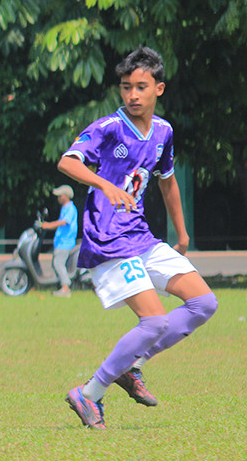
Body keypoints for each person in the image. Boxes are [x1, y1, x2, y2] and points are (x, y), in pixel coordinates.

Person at [59, 46, 218, 429]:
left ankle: (132, 367)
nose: (132, 95)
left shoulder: (163, 131)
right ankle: (89, 393)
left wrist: (181, 233)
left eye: (141, 87)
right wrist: (104, 185)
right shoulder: (108, 127)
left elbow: (167, 183)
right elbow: (67, 162)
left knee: (203, 303)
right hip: (107, 238)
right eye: (126, 87)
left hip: (141, 237)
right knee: (155, 323)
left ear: (158, 89)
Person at [40, 184, 79, 297]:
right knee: (56, 263)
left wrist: (48, 225)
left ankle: (65, 288)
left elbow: (63, 222)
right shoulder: (65, 208)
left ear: (66, 196)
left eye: (60, 195)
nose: (58, 198)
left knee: (58, 263)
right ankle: (62, 286)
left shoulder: (70, 208)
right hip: (61, 242)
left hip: (65, 242)